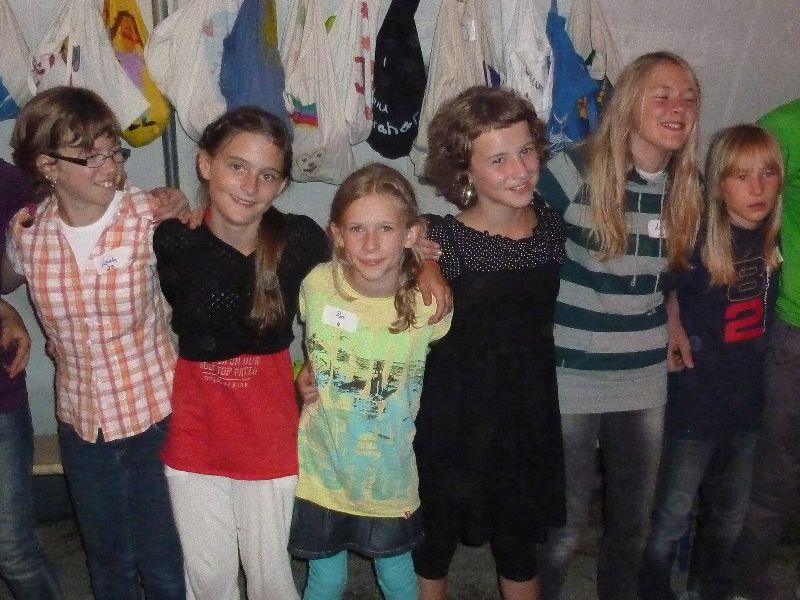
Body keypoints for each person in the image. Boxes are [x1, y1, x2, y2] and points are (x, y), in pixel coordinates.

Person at [2, 86, 185, 600]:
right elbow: (5, 278)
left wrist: (184, 204)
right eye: (92, 157)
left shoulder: (149, 218)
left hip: (155, 415)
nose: (111, 167)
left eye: (113, 152)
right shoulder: (28, 234)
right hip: (82, 426)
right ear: (49, 166)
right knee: (108, 565)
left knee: (164, 566)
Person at [534, 51, 704, 600]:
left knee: (633, 526)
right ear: (629, 103)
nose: (678, 108)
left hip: (643, 373)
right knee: (562, 531)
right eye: (663, 96)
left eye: (689, 98)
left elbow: (669, 274)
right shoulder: (573, 169)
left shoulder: (687, 185)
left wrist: (672, 317)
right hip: (571, 371)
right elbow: (515, 237)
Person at [410, 86, 566, 600]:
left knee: (519, 547)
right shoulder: (441, 240)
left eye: (526, 151)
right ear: (465, 172)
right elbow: (362, 240)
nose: (519, 170)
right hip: (453, 421)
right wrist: (419, 257)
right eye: (497, 160)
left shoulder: (550, 226)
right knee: (433, 548)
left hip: (525, 416)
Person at [288, 162, 452, 600]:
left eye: (385, 228)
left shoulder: (428, 305)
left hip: (389, 478)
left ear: (410, 234)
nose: (371, 243)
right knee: (325, 580)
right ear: (337, 234)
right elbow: (313, 350)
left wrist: (428, 265)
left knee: (397, 577)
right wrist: (304, 376)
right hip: (322, 471)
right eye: (357, 228)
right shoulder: (317, 286)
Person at [638, 124, 783, 600]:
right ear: (718, 184)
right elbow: (657, 286)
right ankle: (652, 591)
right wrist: (673, 321)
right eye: (742, 176)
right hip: (695, 405)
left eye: (767, 174)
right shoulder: (696, 240)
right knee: (672, 515)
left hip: (749, 406)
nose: (757, 188)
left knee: (731, 516)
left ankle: (709, 590)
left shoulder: (775, 242)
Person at [726, 98, 800, 600]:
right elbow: (738, 195)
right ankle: (744, 584)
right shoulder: (784, 127)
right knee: (775, 473)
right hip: (795, 330)